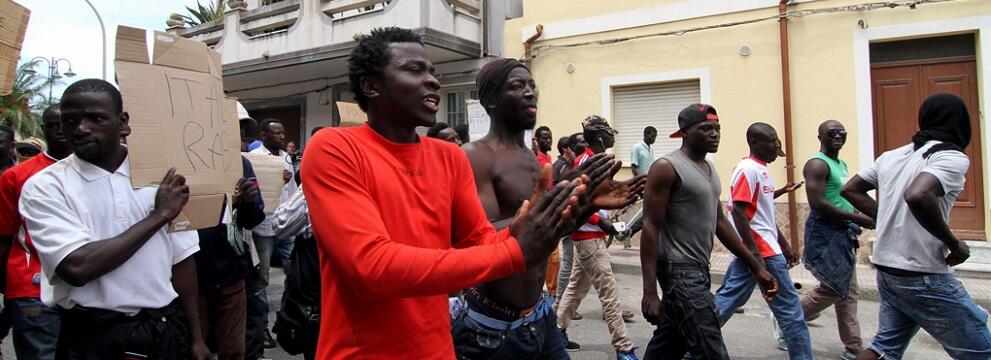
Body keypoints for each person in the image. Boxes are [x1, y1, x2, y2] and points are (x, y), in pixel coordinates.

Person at [300, 27, 586, 359]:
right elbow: (371, 267)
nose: (434, 81)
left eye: (433, 73)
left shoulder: (448, 157)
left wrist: (537, 224)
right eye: (414, 69)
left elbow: (479, 240)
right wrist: (513, 250)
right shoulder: (335, 148)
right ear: (371, 86)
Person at [455, 58, 639, 359]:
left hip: (538, 317)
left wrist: (587, 203)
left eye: (532, 86)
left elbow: (550, 231)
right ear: (490, 99)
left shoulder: (530, 158)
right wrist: (545, 206)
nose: (530, 93)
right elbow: (478, 240)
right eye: (517, 86)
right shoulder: (476, 156)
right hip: (493, 329)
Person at [18, 79, 209, 359]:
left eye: (95, 118)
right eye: (70, 120)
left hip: (164, 328)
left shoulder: (160, 178)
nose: (80, 128)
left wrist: (196, 337)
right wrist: (159, 216)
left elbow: (182, 259)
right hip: (93, 337)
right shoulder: (46, 186)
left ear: (123, 123)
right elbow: (77, 266)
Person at [843, 93, 991, 360]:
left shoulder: (893, 155)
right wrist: (953, 242)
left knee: (884, 349)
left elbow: (851, 189)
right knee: (982, 351)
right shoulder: (950, 157)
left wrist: (885, 214)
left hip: (889, 270)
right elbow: (918, 195)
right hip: (923, 273)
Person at [640, 104, 779, 360]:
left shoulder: (710, 169)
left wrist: (755, 265)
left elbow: (721, 223)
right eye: (705, 129)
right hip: (679, 272)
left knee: (667, 347)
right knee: (712, 350)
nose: (714, 134)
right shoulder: (666, 167)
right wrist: (649, 291)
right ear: (684, 132)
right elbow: (650, 227)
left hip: (699, 269)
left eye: (717, 129)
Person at [711, 122, 811, 359]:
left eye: (777, 140)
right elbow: (738, 212)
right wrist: (756, 256)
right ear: (755, 143)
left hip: (762, 251)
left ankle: (690, 345)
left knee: (725, 303)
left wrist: (784, 245)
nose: (777, 145)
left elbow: (762, 213)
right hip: (763, 254)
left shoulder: (762, 168)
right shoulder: (748, 169)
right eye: (772, 140)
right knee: (791, 313)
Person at [556, 115, 642, 360]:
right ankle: (623, 347)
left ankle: (557, 330)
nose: (614, 137)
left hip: (589, 237)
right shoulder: (587, 163)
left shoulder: (596, 160)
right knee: (609, 291)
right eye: (610, 133)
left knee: (576, 288)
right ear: (601, 137)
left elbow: (602, 194)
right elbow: (575, 201)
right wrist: (600, 221)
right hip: (588, 236)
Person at [796, 120, 874, 360]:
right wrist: (858, 218)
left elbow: (841, 198)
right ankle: (790, 319)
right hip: (826, 232)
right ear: (820, 136)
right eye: (831, 133)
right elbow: (818, 204)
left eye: (842, 133)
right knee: (834, 288)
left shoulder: (840, 164)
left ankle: (853, 347)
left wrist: (858, 217)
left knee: (849, 290)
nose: (837, 136)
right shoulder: (817, 164)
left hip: (842, 232)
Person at [0, 104, 71, 359]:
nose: (61, 130)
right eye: (54, 125)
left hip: (83, 289)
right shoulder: (16, 177)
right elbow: (5, 236)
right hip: (32, 288)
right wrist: (8, 291)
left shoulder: (97, 173)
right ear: (44, 129)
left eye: (67, 123)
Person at [194, 157, 266, 360]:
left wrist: (249, 202)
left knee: (233, 350)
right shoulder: (178, 157)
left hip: (230, 270)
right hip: (190, 274)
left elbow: (252, 219)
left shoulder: (239, 163)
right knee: (195, 350)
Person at [248, 117, 297, 348]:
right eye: (277, 133)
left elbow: (293, 191)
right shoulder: (254, 156)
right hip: (264, 226)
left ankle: (288, 319)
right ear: (264, 136)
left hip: (285, 224)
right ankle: (262, 327)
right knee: (263, 279)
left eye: (283, 132)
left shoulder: (286, 158)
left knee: (295, 270)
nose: (282, 136)